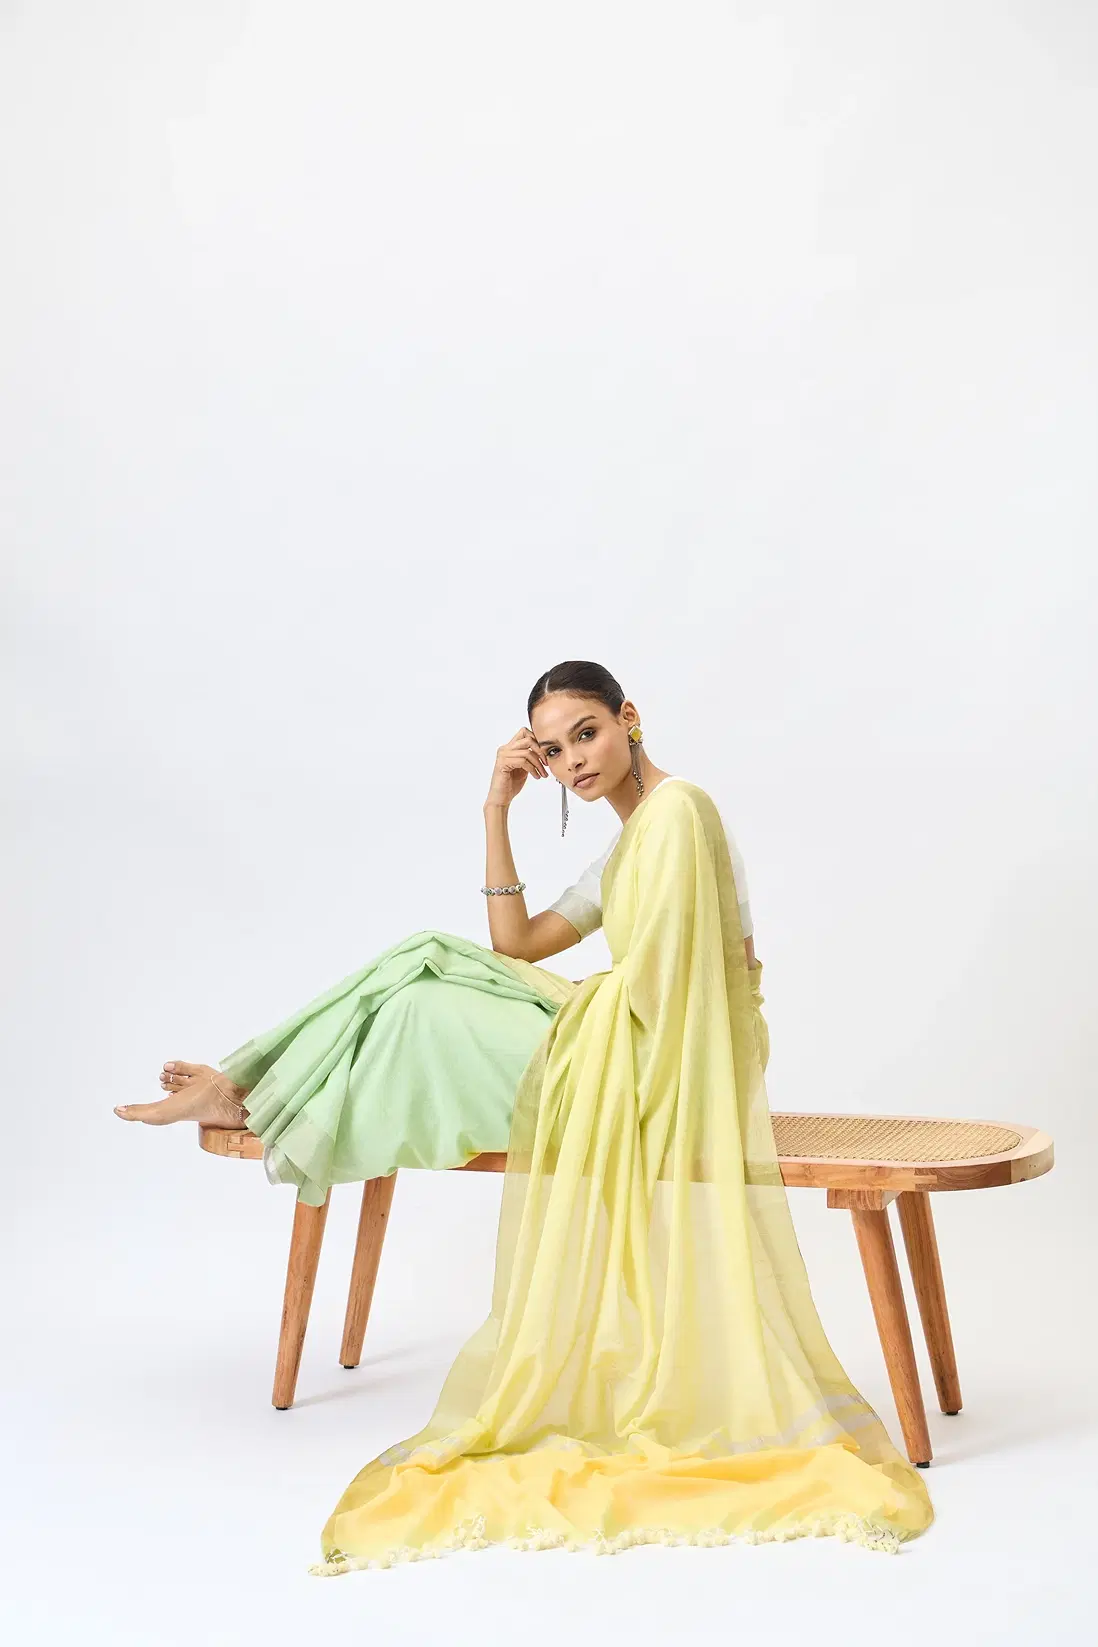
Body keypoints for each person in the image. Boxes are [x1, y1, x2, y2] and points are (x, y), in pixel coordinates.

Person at [115, 659, 934, 1565]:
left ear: (628, 718)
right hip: (629, 1030)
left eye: (587, 732)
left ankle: (249, 1090)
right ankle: (248, 1085)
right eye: (553, 749)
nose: (575, 760)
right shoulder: (623, 847)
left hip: (667, 1057)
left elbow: (686, 987)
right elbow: (515, 943)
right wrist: (495, 810)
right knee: (420, 961)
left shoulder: (680, 810)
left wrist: (579, 1006)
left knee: (419, 997)